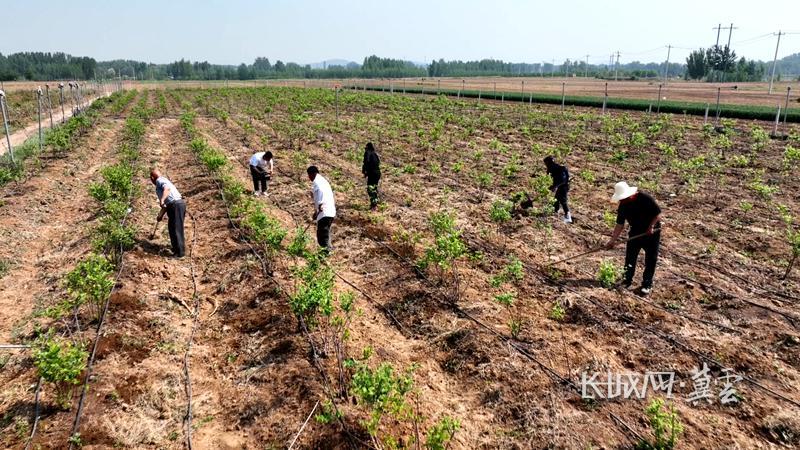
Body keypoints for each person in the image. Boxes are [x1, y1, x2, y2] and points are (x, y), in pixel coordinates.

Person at [605, 181, 662, 295]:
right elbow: (619, 224)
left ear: (630, 195)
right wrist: (612, 240)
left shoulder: (645, 198)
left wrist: (651, 226)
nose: (622, 201)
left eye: (624, 198)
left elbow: (657, 214)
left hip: (651, 233)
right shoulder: (623, 206)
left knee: (651, 259)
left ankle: (647, 283)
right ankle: (627, 279)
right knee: (630, 256)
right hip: (635, 231)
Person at [150, 169, 186, 258]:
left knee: (176, 228)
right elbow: (166, 203)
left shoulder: (159, 180)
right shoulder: (162, 183)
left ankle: (180, 253)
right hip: (175, 205)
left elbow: (167, 189)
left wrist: (161, 200)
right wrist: (160, 215)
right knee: (172, 228)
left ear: (152, 178)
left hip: (176, 204)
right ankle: (176, 249)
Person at [307, 165, 336, 252]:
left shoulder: (318, 182)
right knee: (325, 233)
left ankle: (327, 252)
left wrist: (319, 206)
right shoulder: (323, 181)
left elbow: (320, 192)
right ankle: (328, 251)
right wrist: (316, 211)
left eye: (309, 175)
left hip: (324, 211)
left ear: (312, 174)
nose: (309, 178)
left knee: (322, 235)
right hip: (329, 211)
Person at [544, 156, 571, 223]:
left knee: (563, 200)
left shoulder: (561, 169)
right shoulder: (551, 169)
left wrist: (555, 186)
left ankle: (568, 217)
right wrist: (550, 186)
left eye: (547, 163)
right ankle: (555, 214)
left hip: (564, 186)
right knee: (556, 200)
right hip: (559, 186)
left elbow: (563, 180)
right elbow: (550, 179)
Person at [362, 142, 381, 210]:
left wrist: (365, 172)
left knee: (370, 189)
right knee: (374, 188)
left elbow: (366, 162)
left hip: (372, 173)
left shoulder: (368, 152)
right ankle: (375, 203)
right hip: (377, 173)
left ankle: (373, 205)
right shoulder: (375, 154)